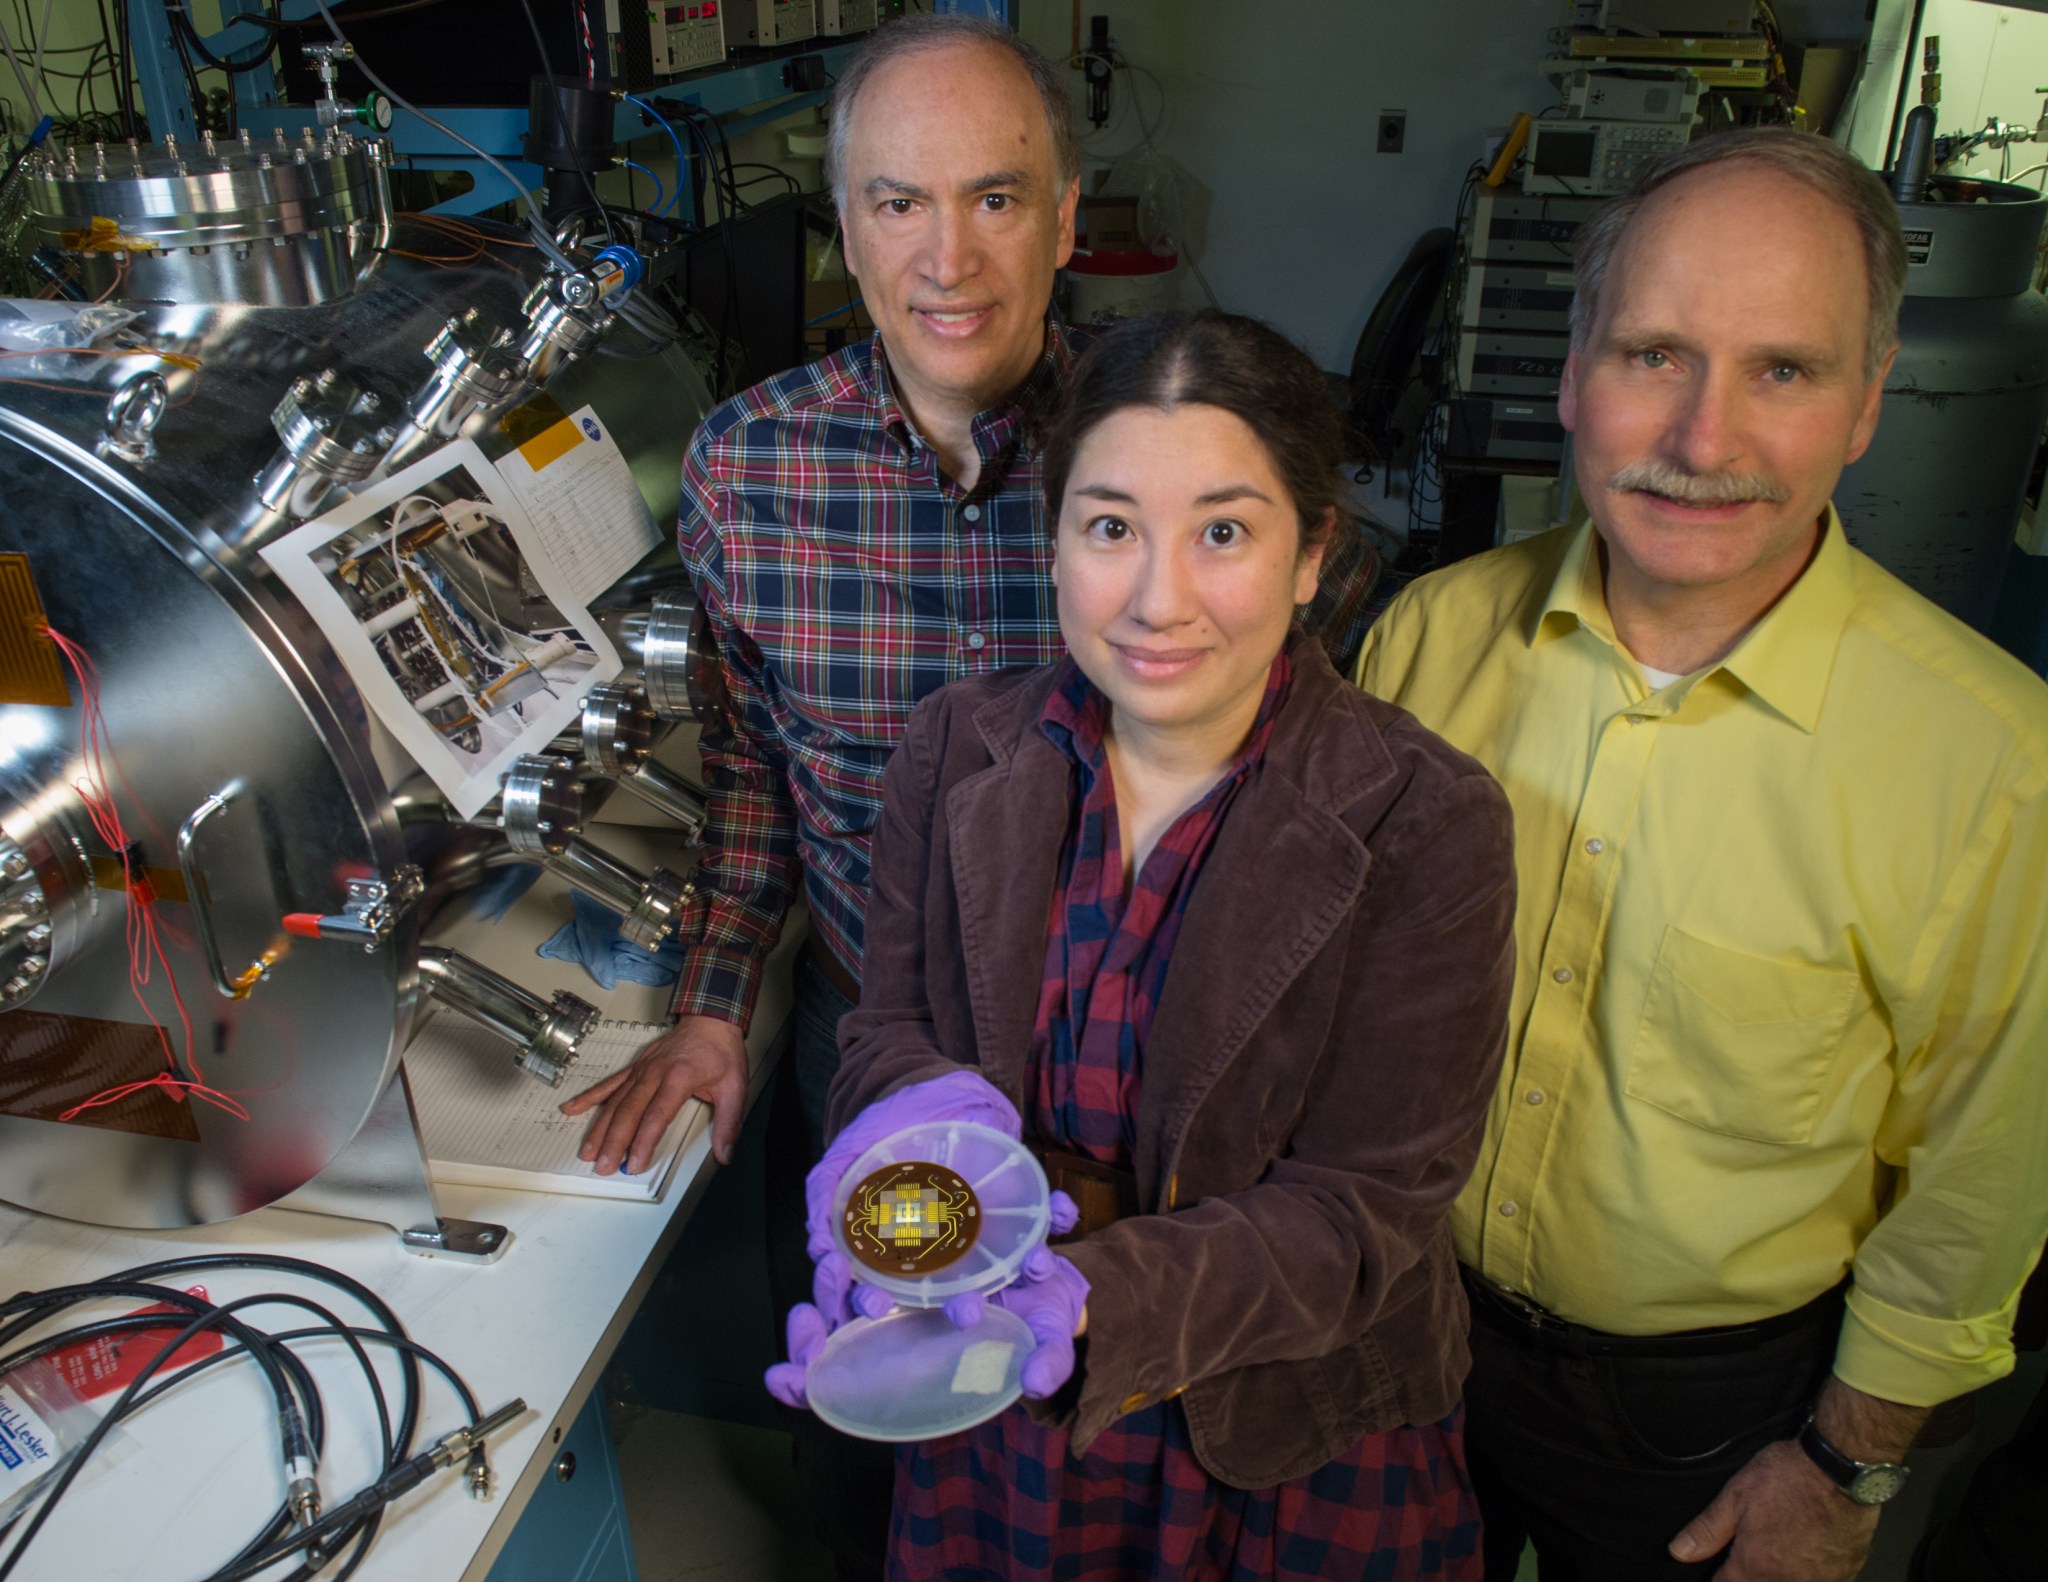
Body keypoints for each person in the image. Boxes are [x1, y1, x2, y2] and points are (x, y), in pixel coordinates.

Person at [560, 17, 1375, 1578]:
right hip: (879, 1047)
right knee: (885, 1455)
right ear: (844, 220)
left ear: (1069, 216)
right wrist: (722, 1002)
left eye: (998, 198)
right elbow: (754, 775)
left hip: (1144, 1080)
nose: (950, 257)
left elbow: (1288, 778)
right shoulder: (750, 472)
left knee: (1133, 1457)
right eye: (897, 202)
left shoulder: (1173, 464)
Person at [1357, 127, 2048, 1582]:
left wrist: (1848, 1468)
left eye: (1783, 371)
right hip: (1400, 1327)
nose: (1704, 440)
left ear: (1867, 404)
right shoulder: (1426, 637)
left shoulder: (1994, 758)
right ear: (1571, 371)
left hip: (1715, 1415)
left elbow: (1982, 1175)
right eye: (1654, 354)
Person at [773, 310, 1517, 1581]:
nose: (1156, 599)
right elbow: (885, 1030)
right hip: (990, 1400)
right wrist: (910, 1135)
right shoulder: (955, 750)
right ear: (1055, 542)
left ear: (1309, 554)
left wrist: (1093, 1302)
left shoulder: (1422, 818)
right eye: (1109, 527)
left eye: (1221, 532)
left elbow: (1362, 1214)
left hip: (1274, 1438)